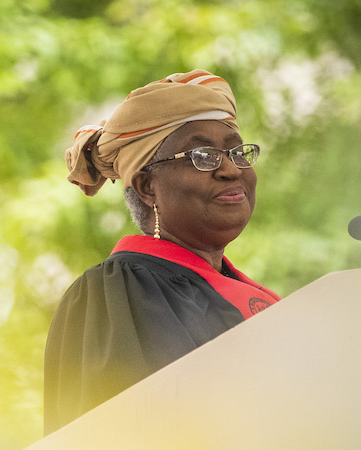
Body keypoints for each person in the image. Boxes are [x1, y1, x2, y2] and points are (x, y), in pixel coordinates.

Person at [44, 69, 281, 434]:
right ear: (147, 186)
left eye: (236, 151)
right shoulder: (116, 295)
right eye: (204, 155)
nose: (231, 169)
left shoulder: (243, 290)